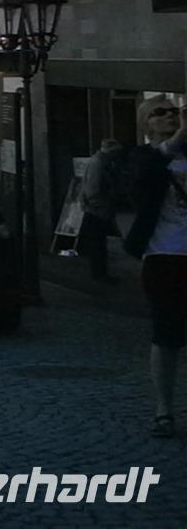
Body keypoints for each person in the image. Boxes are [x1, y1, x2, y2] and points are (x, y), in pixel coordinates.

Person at [123, 98, 187, 437]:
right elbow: (144, 174)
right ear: (145, 124)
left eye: (173, 111)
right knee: (167, 336)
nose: (169, 116)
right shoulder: (142, 157)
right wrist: (179, 138)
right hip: (165, 256)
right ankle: (164, 408)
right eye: (159, 112)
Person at [77, 139, 123, 283]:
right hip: (97, 210)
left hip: (95, 209)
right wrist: (102, 207)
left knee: (98, 243)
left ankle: (99, 273)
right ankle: (99, 274)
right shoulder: (99, 163)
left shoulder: (99, 161)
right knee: (98, 244)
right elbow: (93, 190)